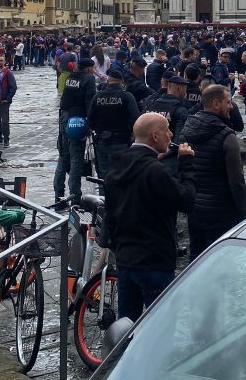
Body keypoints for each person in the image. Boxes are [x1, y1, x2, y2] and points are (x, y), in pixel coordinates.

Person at [105, 113, 196, 321]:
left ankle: (124, 355)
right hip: (154, 261)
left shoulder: (117, 165)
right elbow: (186, 201)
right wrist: (187, 164)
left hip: (126, 260)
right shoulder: (156, 171)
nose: (171, 135)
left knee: (127, 326)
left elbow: (111, 213)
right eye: (167, 130)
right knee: (162, 326)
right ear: (155, 135)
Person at [180, 85, 246, 259]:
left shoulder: (187, 129)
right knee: (221, 263)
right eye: (228, 102)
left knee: (196, 260)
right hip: (221, 213)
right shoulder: (227, 136)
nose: (231, 107)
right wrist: (242, 212)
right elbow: (236, 181)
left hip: (195, 210)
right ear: (216, 104)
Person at [55, 57, 97, 203]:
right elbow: (90, 102)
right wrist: (90, 125)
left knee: (63, 157)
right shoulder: (89, 79)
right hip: (77, 121)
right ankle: (75, 198)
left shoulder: (70, 78)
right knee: (76, 159)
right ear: (89, 68)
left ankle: (58, 195)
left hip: (64, 119)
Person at [88, 66, 140, 180]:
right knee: (122, 175)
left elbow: (90, 120)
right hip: (121, 141)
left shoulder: (97, 97)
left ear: (107, 81)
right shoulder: (127, 96)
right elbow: (136, 119)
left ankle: (104, 197)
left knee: (103, 177)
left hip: (101, 142)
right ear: (122, 82)